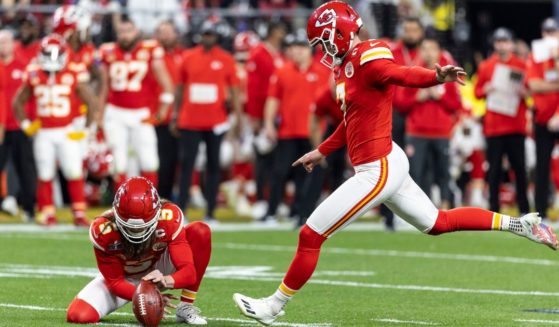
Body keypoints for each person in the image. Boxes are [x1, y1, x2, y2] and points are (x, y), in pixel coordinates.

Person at [232, 3, 558, 325]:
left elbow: (399, 73)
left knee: (310, 235)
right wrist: (323, 150)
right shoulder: (344, 66)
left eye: (326, 41)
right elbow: (351, 120)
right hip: (388, 161)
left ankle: (273, 306)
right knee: (438, 223)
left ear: (341, 33)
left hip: (378, 168)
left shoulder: (368, 55)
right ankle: (520, 225)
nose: (325, 50)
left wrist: (434, 77)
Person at [66, 176, 211, 325]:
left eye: (143, 227)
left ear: (156, 213)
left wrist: (166, 280)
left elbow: (189, 272)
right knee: (78, 315)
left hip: (159, 267)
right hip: (126, 277)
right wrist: (145, 294)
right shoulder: (104, 230)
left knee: (200, 231)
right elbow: (115, 282)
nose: (136, 233)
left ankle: (186, 306)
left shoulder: (168, 218)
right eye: (129, 227)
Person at [12, 35, 98, 226]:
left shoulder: (73, 72)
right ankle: (47, 212)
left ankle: (78, 212)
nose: (51, 58)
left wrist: (87, 128)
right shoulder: (34, 73)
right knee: (45, 172)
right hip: (44, 132)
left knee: (73, 170)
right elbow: (18, 102)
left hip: (66, 131)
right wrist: (26, 125)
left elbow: (91, 101)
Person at [259, 32, 330, 225]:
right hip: (288, 131)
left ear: (309, 50)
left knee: (306, 175)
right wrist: (268, 123)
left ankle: (300, 212)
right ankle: (272, 211)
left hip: (314, 132)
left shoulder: (323, 72)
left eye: (300, 47)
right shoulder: (282, 71)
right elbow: (273, 100)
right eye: (293, 47)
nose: (296, 51)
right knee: (280, 172)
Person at [175, 21, 241, 221]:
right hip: (190, 121)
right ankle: (182, 210)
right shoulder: (188, 57)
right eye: (205, 34)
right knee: (187, 166)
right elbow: (179, 88)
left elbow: (235, 91)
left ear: (217, 37)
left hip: (215, 121)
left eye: (211, 34)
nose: (207, 38)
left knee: (213, 166)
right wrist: (175, 115)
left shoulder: (226, 59)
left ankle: (211, 211)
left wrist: (238, 117)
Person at [97, 17, 174, 190]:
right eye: (121, 32)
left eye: (128, 31)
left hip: (141, 113)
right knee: (119, 161)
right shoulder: (107, 51)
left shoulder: (150, 50)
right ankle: (121, 205)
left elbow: (167, 85)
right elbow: (103, 88)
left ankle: (150, 202)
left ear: (137, 32)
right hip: (115, 112)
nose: (125, 36)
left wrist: (162, 110)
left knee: (149, 160)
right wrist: (99, 116)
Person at [395, 36, 461, 209]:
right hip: (416, 132)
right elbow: (400, 104)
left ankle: (445, 208)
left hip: (441, 131)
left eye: (432, 48)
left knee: (443, 173)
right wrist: (418, 97)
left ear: (439, 51)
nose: (428, 52)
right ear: (420, 51)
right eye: (425, 48)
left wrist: (440, 97)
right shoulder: (413, 72)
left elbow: (456, 104)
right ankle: (419, 210)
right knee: (416, 173)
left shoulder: (448, 73)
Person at [475, 27, 529, 214]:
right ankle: (493, 209)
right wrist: (486, 89)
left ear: (512, 44)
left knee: (520, 169)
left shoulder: (522, 65)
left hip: (515, 126)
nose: (502, 45)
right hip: (494, 127)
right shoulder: (486, 66)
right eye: (499, 41)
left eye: (505, 41)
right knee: (494, 171)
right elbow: (477, 92)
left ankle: (524, 209)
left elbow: (531, 92)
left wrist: (524, 92)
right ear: (494, 44)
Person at [245, 22, 287, 217]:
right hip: (263, 115)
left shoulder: (278, 54)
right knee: (262, 159)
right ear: (273, 32)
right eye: (280, 30)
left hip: (278, 114)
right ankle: (260, 199)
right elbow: (254, 89)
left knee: (277, 161)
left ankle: (275, 200)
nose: (282, 34)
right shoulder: (259, 54)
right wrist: (255, 117)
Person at [0, 29, 37, 222]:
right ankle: (5, 202)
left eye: (5, 41)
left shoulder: (24, 66)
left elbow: (30, 97)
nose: (2, 46)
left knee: (25, 168)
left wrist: (30, 121)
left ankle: (29, 208)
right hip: (1, 126)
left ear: (13, 44)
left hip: (19, 125)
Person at [528, 18, 559, 219]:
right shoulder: (536, 56)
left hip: (556, 116)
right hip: (543, 119)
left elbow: (540, 84)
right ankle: (541, 212)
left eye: (553, 32)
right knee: (541, 166)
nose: (549, 36)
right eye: (546, 32)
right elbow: (534, 85)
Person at [153, 21, 184, 200]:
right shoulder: (151, 54)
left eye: (168, 32)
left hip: (177, 116)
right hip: (155, 116)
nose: (164, 36)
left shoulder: (183, 55)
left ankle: (166, 198)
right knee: (156, 162)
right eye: (161, 32)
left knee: (172, 162)